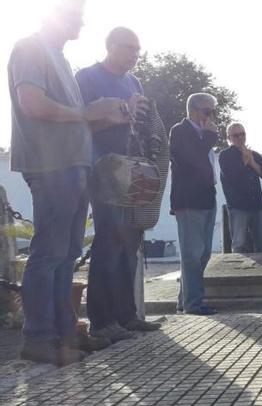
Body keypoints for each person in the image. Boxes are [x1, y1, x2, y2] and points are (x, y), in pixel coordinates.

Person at [8, 0, 132, 365]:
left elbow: (77, 119)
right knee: (49, 253)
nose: (81, 21)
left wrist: (107, 115)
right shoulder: (30, 48)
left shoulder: (60, 58)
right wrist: (87, 112)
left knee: (67, 254)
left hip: (74, 166)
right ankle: (38, 337)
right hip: (51, 166)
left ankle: (63, 336)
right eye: (75, 14)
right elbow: (31, 103)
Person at [76, 26, 162, 343]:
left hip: (130, 170)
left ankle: (127, 316)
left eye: (138, 51)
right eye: (130, 48)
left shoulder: (134, 81)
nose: (135, 56)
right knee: (108, 241)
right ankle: (102, 321)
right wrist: (122, 111)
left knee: (129, 243)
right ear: (110, 45)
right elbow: (81, 120)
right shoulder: (86, 77)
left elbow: (137, 124)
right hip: (101, 168)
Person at [169, 93, 219, 315]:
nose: (210, 117)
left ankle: (184, 300)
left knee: (204, 253)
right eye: (207, 112)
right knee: (192, 254)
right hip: (189, 200)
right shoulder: (180, 131)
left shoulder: (203, 135)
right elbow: (193, 159)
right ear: (193, 110)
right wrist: (209, 137)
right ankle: (193, 304)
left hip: (207, 198)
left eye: (212, 112)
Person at [219, 122, 262, 253]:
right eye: (236, 135)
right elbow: (232, 177)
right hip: (238, 207)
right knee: (239, 244)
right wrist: (244, 161)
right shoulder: (225, 156)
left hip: (257, 205)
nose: (240, 138)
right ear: (229, 138)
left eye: (242, 134)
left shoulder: (254, 155)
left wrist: (252, 162)